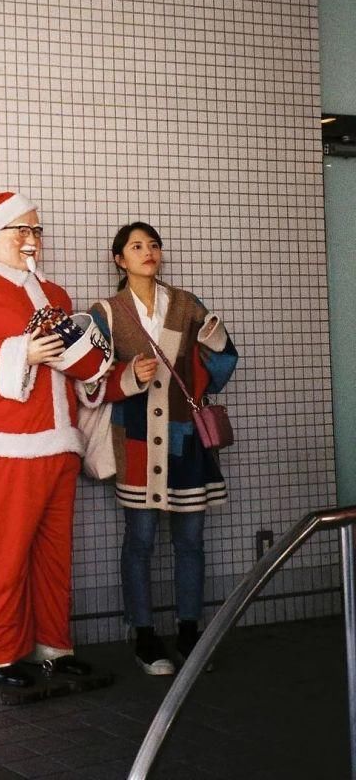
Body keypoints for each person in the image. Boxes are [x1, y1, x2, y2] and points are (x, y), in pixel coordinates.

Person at [0, 191, 113, 687]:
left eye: (37, 230)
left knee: (53, 554)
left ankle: (53, 647)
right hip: (0, 443)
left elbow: (74, 366)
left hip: (58, 442)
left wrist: (91, 363)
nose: (33, 241)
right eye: (22, 230)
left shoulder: (55, 294)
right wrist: (25, 353)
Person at [87, 222, 238, 675]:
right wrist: (129, 374)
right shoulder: (106, 313)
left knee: (191, 540)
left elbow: (224, 362)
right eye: (137, 246)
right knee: (141, 540)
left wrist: (213, 338)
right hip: (134, 438)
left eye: (153, 245)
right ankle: (145, 636)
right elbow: (87, 379)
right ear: (120, 259)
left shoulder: (186, 304)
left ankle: (189, 632)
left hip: (184, 438)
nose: (148, 252)